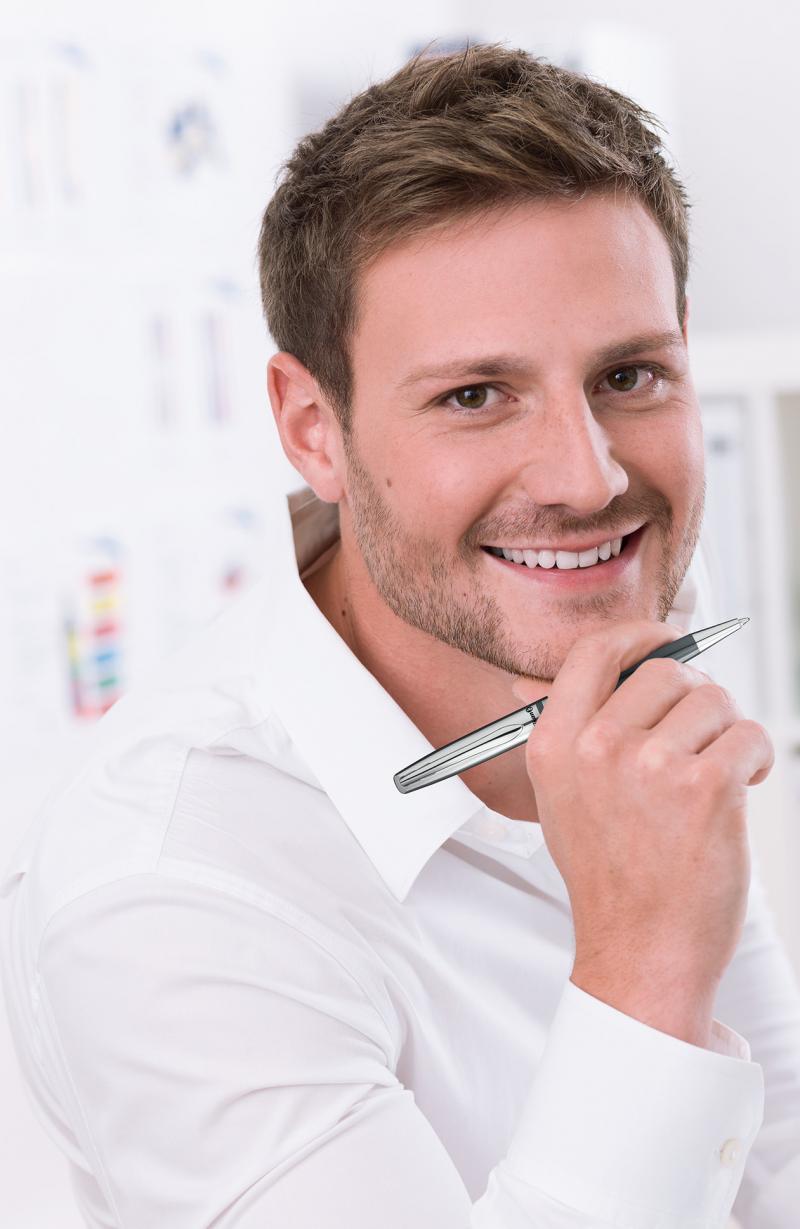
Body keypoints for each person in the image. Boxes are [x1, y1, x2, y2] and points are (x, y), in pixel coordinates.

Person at [2, 40, 799, 1229]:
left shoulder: (598, 631)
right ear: (310, 426)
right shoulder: (165, 890)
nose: (587, 479)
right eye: (474, 395)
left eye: (629, 374)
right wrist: (642, 963)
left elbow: (773, 1164)